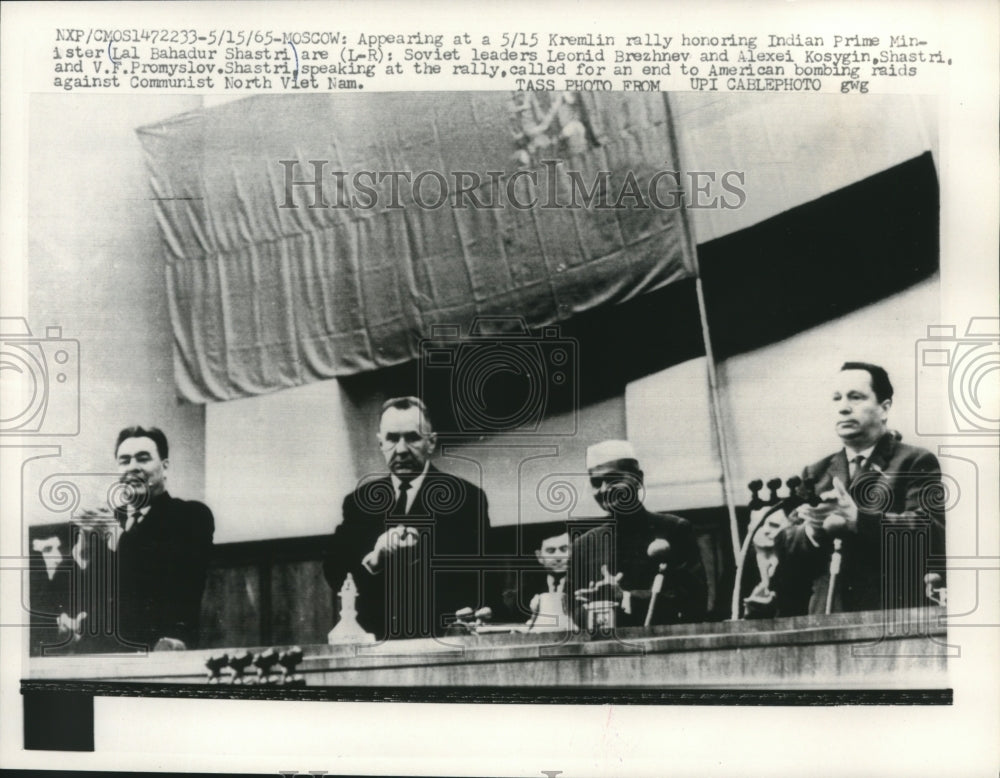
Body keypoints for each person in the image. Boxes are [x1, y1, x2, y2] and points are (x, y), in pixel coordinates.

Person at [777, 362, 944, 614]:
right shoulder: (815, 473)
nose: (843, 407)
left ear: (884, 408)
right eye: (836, 398)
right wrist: (812, 530)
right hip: (826, 615)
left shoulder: (914, 461)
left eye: (855, 397)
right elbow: (786, 557)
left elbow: (930, 533)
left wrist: (858, 520)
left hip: (890, 613)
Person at [323, 397, 491, 640]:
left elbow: (481, 578)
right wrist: (374, 560)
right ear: (380, 443)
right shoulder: (358, 503)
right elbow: (335, 570)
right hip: (376, 644)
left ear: (431, 442)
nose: (401, 449)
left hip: (442, 642)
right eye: (392, 438)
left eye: (412, 438)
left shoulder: (467, 500)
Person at [62, 426, 215, 651]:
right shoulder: (109, 521)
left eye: (143, 459)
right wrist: (83, 550)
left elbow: (159, 580)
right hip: (98, 657)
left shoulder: (191, 515)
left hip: (157, 654)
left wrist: (114, 534)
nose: (132, 467)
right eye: (124, 461)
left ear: (165, 467)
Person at [570, 440, 708, 629]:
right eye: (596, 482)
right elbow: (573, 608)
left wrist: (626, 597)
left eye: (613, 479)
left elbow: (694, 600)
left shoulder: (674, 530)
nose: (604, 489)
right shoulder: (584, 545)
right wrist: (591, 605)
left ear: (638, 479)